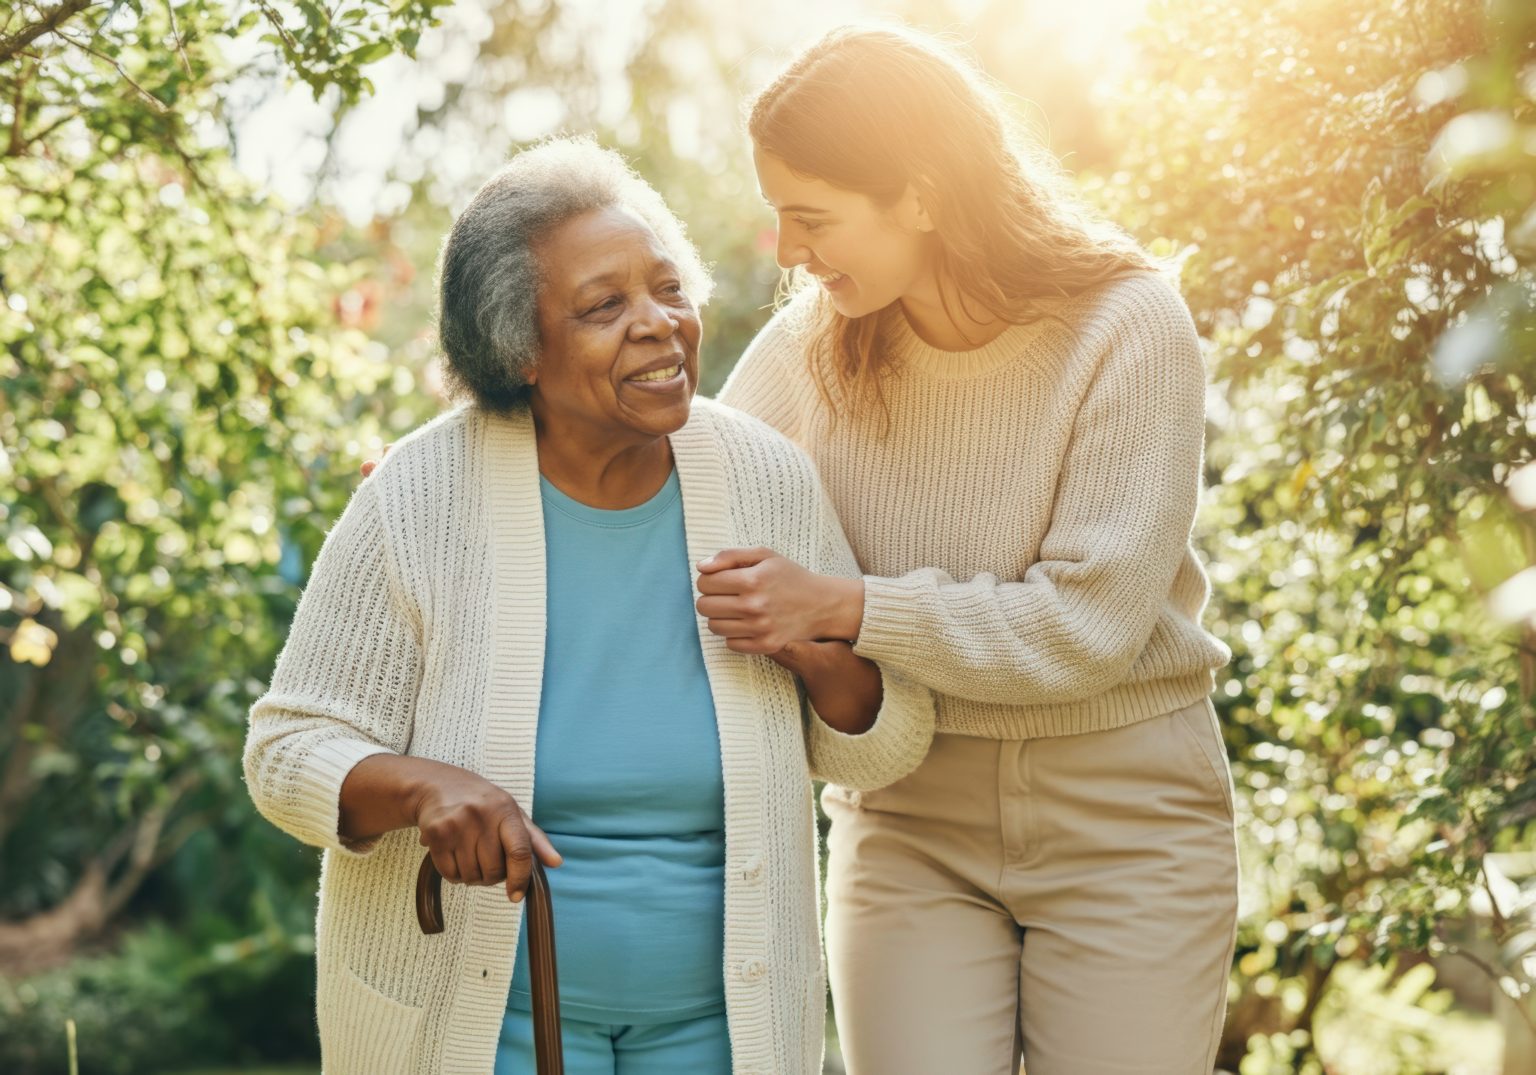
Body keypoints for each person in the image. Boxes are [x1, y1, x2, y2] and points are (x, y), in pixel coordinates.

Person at [244, 136, 934, 1075]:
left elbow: (886, 741)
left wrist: (812, 645)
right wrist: (423, 785)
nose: (657, 323)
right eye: (604, 306)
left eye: (667, 290)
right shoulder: (421, 493)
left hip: (722, 1024)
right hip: (481, 1019)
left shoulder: (764, 478)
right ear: (519, 349)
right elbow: (287, 750)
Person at [697, 24, 1239, 1075]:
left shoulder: (1129, 326)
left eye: (811, 218)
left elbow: (1086, 628)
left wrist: (847, 605)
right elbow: (686, 482)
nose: (786, 253)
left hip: (1127, 824)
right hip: (909, 818)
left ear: (925, 194)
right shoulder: (821, 338)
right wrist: (471, 466)